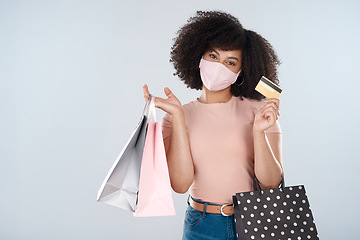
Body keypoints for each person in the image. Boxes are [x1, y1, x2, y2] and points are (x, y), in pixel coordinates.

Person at [142, 10, 283, 240]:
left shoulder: (260, 110)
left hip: (253, 220)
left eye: (231, 62)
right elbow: (180, 185)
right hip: (201, 224)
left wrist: (259, 132)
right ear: (199, 57)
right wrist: (177, 117)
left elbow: (271, 183)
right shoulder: (178, 115)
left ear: (240, 73)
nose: (219, 66)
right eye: (213, 56)